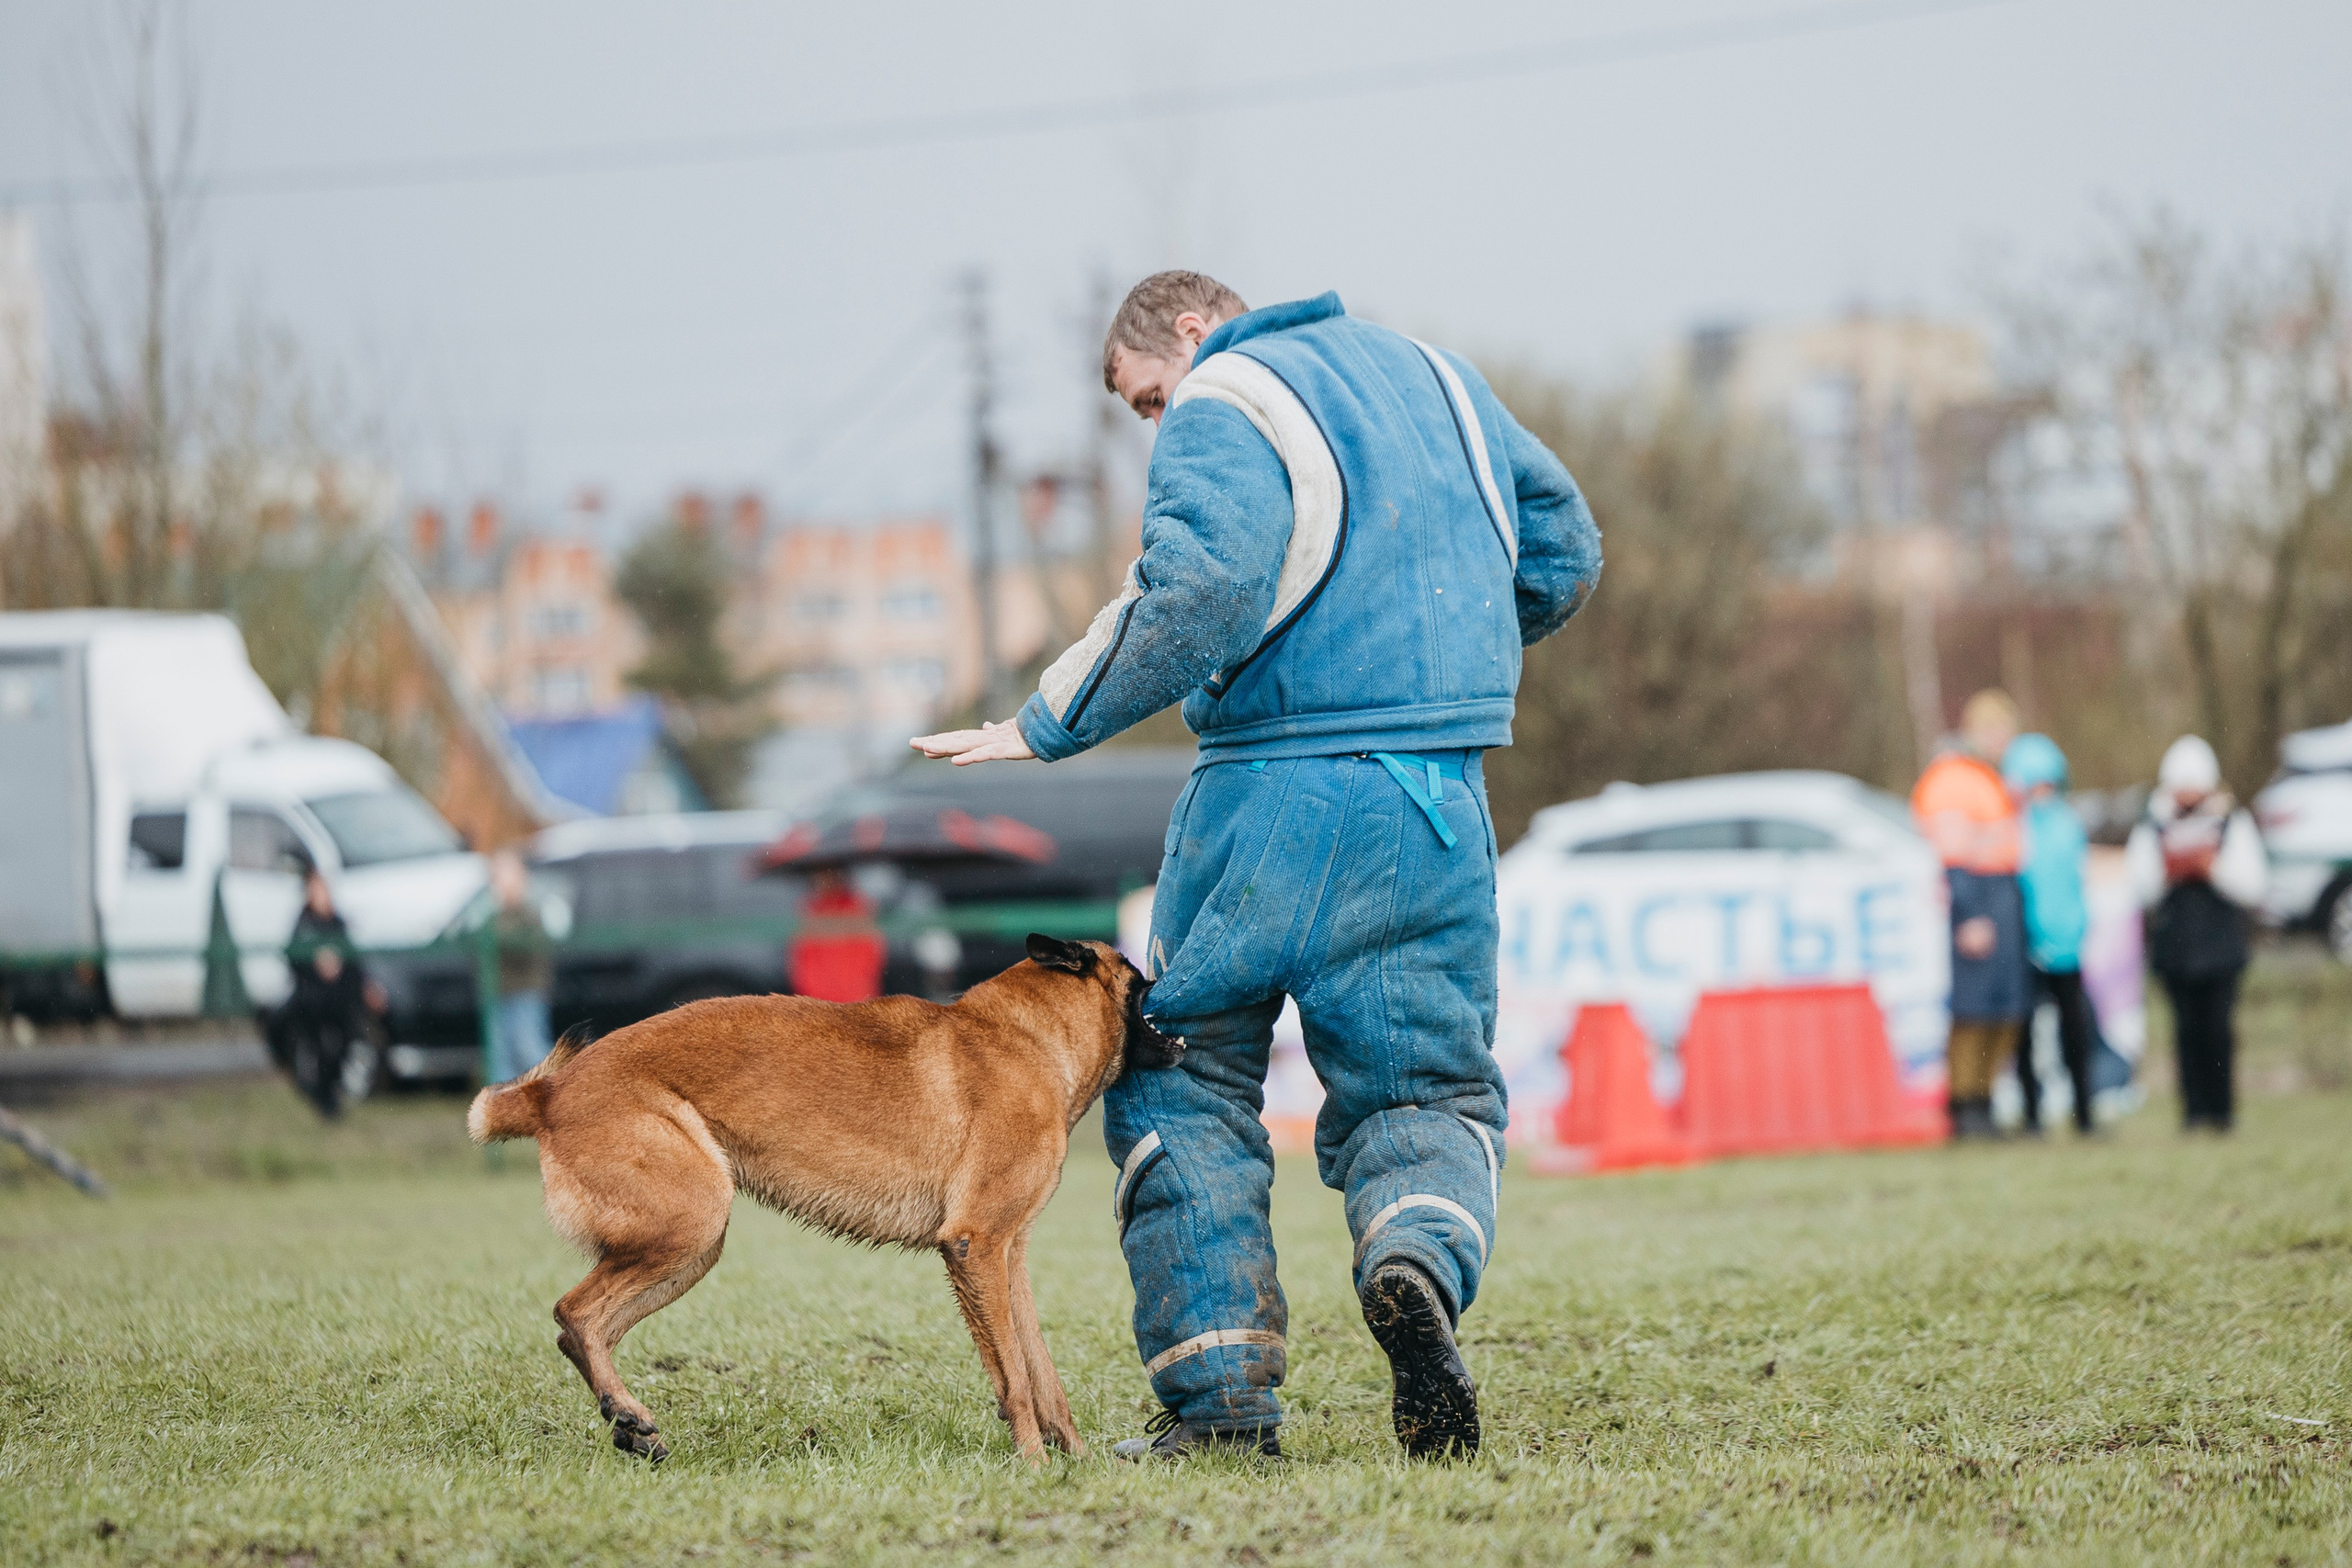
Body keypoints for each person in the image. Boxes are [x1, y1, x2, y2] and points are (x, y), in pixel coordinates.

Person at [912, 272, 1601, 1461]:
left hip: (1271, 791)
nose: (1155, 422)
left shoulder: (1229, 387)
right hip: (1438, 800)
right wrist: (1437, 668)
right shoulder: (1446, 379)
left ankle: (1221, 1399)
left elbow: (1204, 587)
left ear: (1188, 330)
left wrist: (1046, 720)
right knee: (1426, 1085)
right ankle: (1415, 1261)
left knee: (1183, 1070)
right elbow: (1566, 551)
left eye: (1144, 399)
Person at [2126, 736, 2267, 1133]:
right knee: (2185, 1030)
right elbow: (2139, 886)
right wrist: (2170, 871)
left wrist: (2211, 869)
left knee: (2218, 1030)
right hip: (2176, 947)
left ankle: (2222, 1112)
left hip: (2220, 946)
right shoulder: (2153, 824)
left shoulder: (2231, 821)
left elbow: (2252, 883)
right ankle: (2192, 1113)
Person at [1912, 690, 2031, 1141]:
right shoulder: (1952, 780)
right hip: (1976, 897)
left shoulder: (1986, 776)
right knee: (1973, 1012)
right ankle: (1966, 1108)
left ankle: (1983, 1102)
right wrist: (1969, 914)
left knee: (2004, 1009)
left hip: (1999, 893)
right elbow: (1951, 855)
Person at [2002, 733, 2102, 1135]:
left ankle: (2085, 1113)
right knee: (2024, 1036)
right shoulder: (2015, 829)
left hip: (2066, 947)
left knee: (2074, 1032)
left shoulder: (2067, 824)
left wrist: (2076, 930)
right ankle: (2032, 1115)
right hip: (2026, 945)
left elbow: (2075, 884)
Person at [280, 867, 376, 1117]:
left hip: (340, 1004)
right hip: (312, 1004)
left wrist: (366, 986)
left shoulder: (338, 923)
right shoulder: (304, 924)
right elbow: (292, 960)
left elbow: (355, 963)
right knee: (317, 1050)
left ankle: (331, 1094)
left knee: (343, 1048)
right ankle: (322, 1098)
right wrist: (315, 961)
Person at [488, 849, 555, 1083]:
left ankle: (550, 1088)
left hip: (526, 991)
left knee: (528, 1047)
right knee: (501, 1055)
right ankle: (504, 1104)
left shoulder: (529, 913)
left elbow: (524, 949)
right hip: (497, 993)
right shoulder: (492, 915)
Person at [787, 867, 888, 1003]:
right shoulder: (811, 911)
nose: (822, 883)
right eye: (818, 878)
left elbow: (871, 955)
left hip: (854, 998)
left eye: (826, 876)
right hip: (822, 1001)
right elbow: (802, 961)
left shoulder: (857, 908)